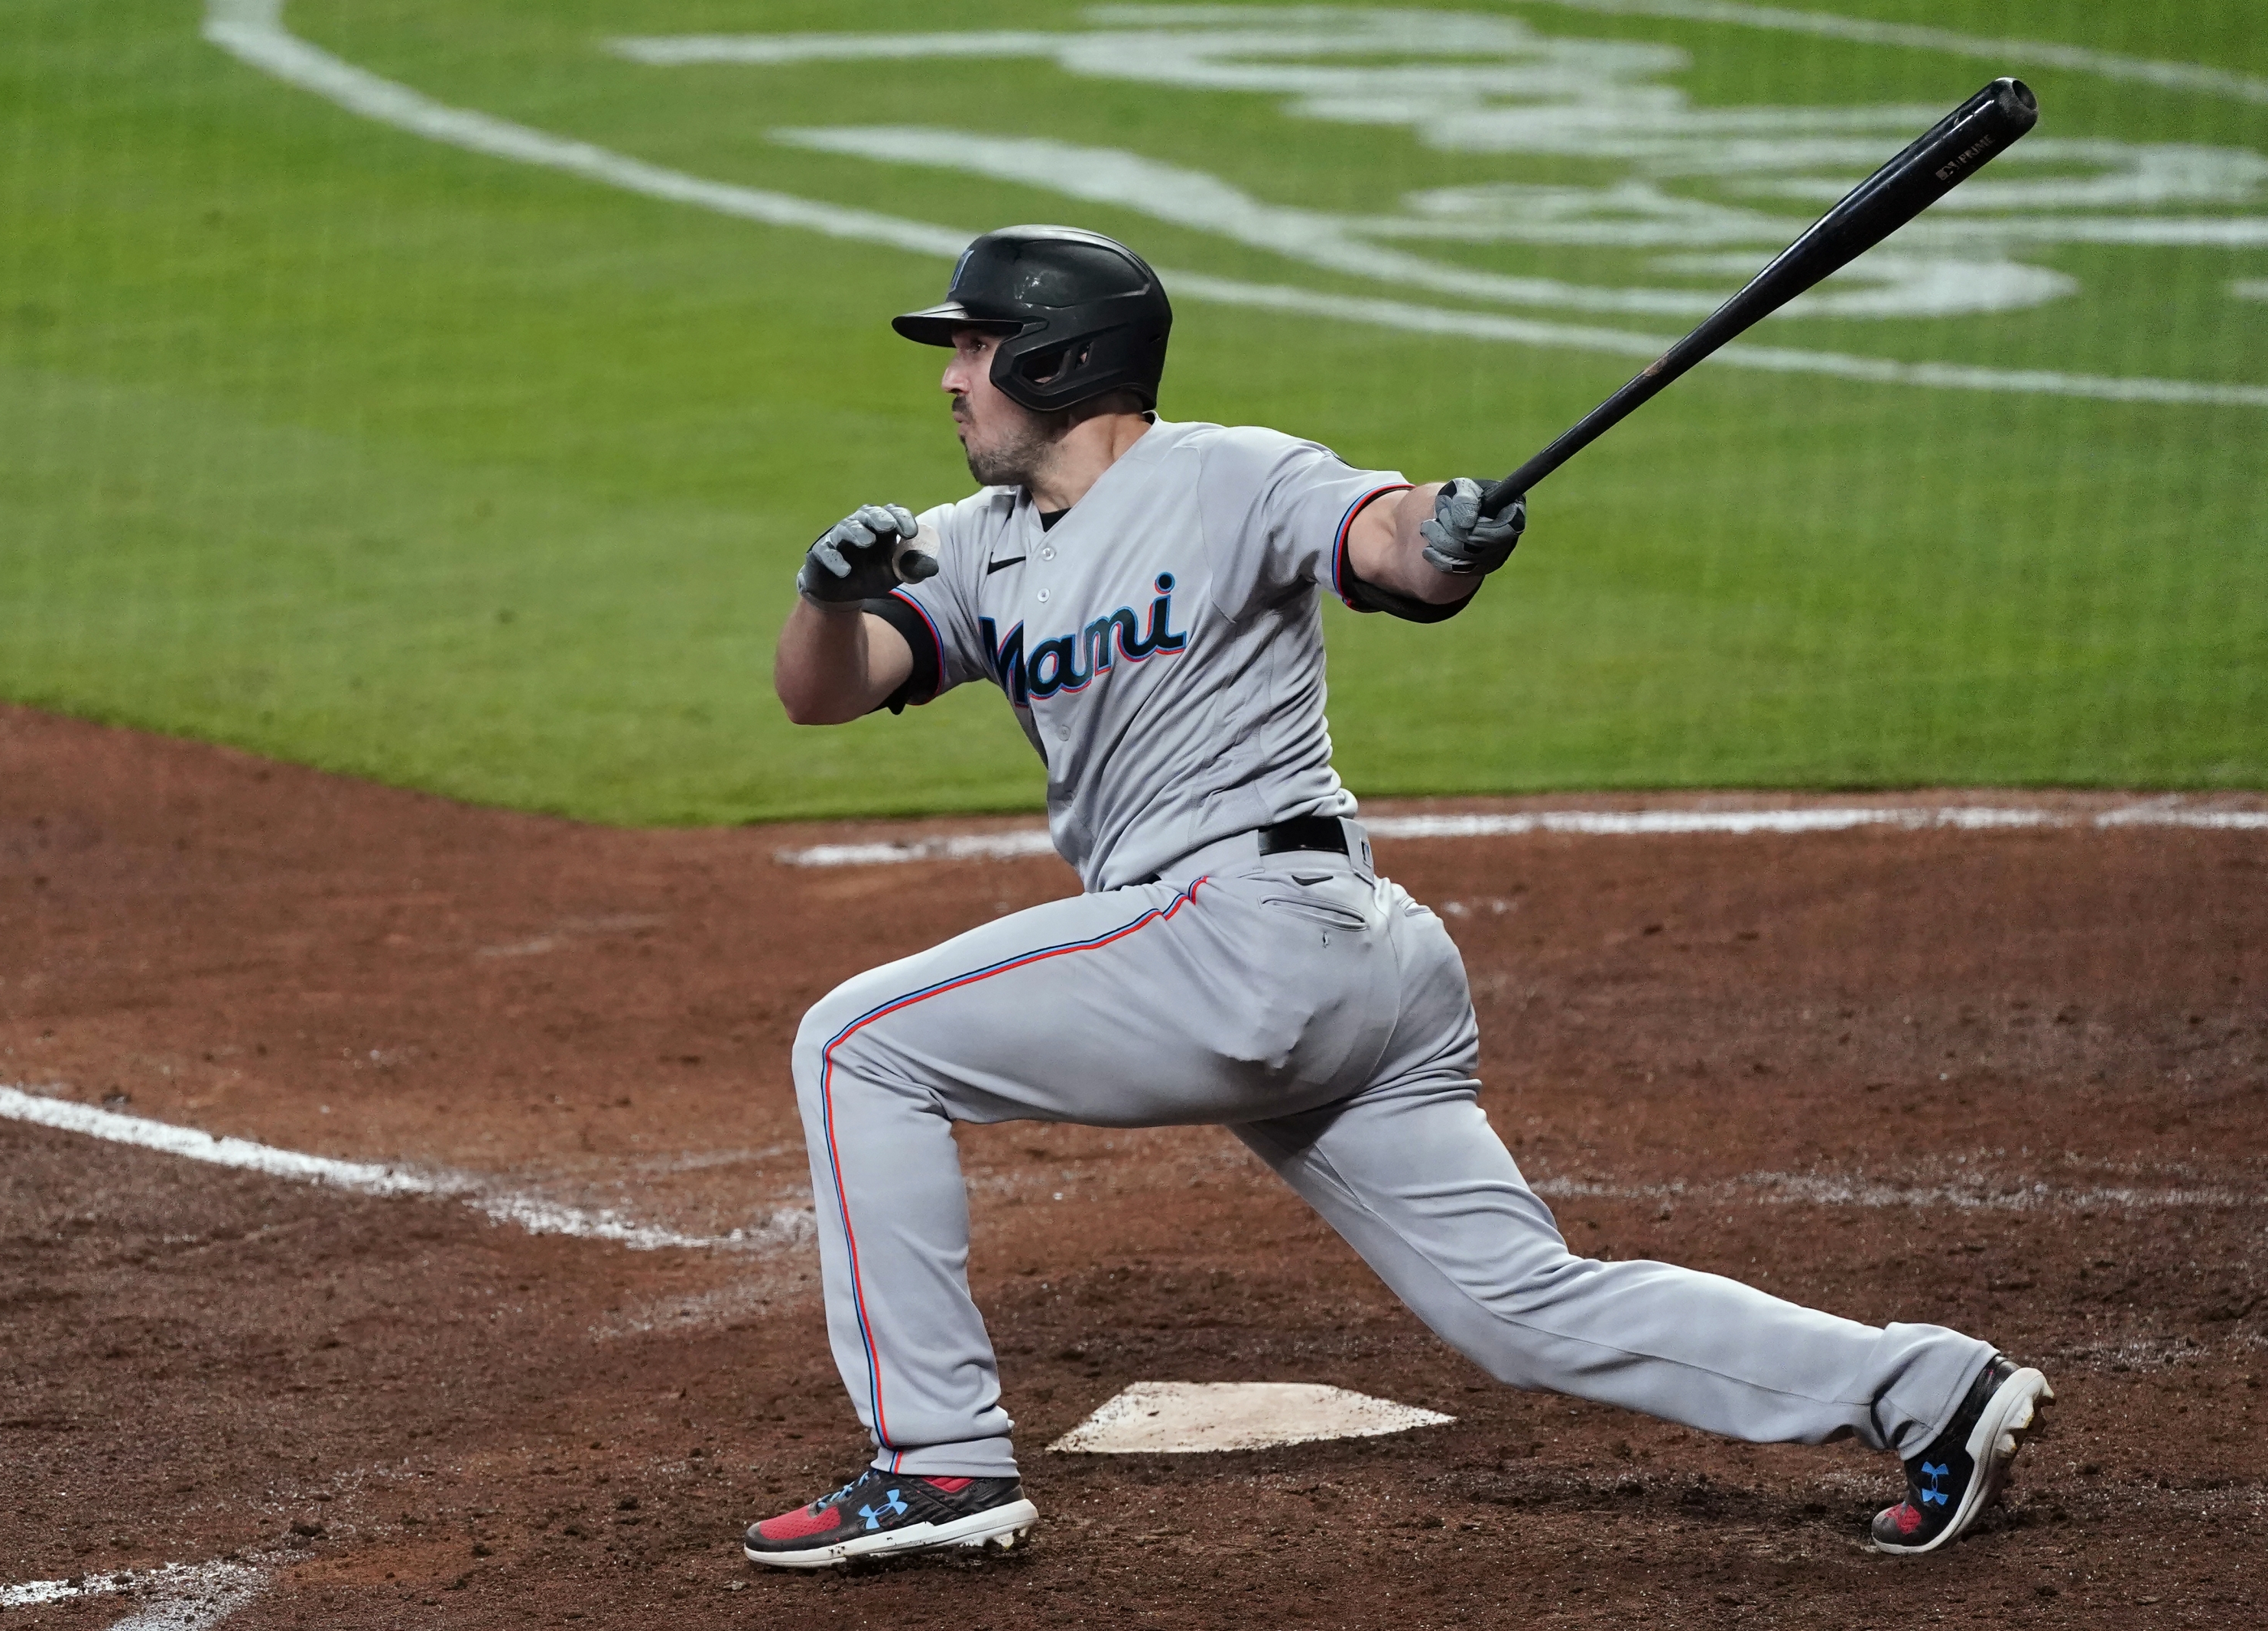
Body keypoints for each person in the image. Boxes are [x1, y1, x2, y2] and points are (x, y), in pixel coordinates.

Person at [746, 225, 2049, 1570]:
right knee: (1521, 1309)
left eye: (971, 346)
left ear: (1057, 359)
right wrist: (825, 599)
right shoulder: (976, 545)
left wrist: (1452, 533)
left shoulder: (1227, 474)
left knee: (858, 1041)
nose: (951, 378)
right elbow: (819, 691)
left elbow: (1389, 546)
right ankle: (1931, 1386)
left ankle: (939, 1462)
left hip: (1246, 935)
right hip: (1335, 963)